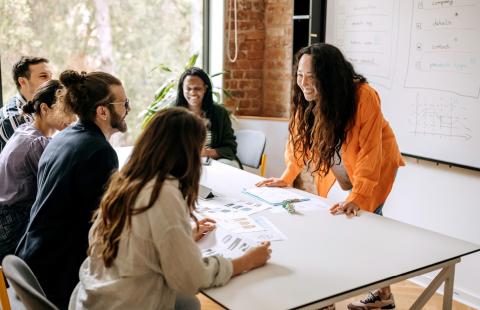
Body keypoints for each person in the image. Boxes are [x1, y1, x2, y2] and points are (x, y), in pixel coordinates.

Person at [68, 107, 271, 310]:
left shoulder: (125, 181)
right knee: (190, 301)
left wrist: (184, 237)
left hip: (93, 297)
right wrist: (247, 261)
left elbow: (137, 243)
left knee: (189, 304)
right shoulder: (162, 193)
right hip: (126, 302)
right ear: (186, 154)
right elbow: (191, 278)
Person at [256, 43, 405, 310]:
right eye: (300, 75)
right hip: (340, 167)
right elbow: (297, 140)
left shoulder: (364, 96)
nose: (303, 82)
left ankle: (336, 298)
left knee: (362, 229)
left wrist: (359, 195)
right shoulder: (307, 97)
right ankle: (366, 297)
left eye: (311, 76)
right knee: (350, 229)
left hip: (375, 167)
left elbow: (371, 151)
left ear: (329, 75)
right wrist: (288, 175)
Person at [16, 69, 130, 309]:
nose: (127, 109)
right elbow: (106, 228)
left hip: (33, 258)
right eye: (123, 103)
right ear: (102, 111)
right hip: (62, 274)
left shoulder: (63, 137)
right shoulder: (99, 152)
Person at [0, 80, 75, 261]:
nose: (72, 119)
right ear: (44, 108)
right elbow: (56, 188)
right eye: (65, 110)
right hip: (10, 225)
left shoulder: (24, 130)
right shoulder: (37, 144)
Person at [175, 67, 241, 167]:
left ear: (205, 89)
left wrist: (206, 153)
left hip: (214, 162)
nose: (192, 92)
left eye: (197, 88)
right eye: (188, 88)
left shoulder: (219, 113)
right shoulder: (173, 113)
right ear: (182, 89)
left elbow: (230, 148)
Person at [0, 56, 52, 152]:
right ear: (22, 81)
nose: (51, 81)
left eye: (51, 76)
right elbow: (42, 156)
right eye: (43, 76)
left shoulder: (40, 107)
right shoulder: (14, 118)